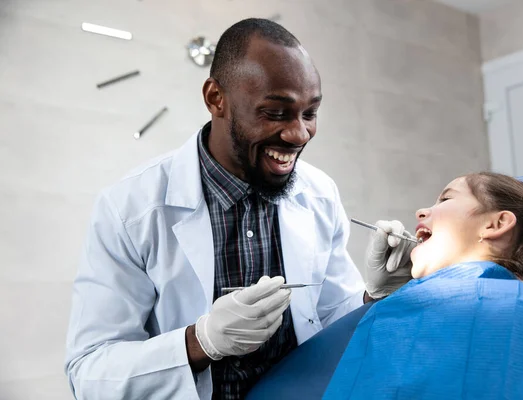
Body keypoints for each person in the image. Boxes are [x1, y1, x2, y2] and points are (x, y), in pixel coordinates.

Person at [64, 18, 415, 400]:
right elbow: (89, 372)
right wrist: (201, 343)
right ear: (216, 99)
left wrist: (373, 297)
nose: (299, 134)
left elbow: (327, 315)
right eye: (276, 113)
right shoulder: (129, 208)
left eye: (310, 113)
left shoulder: (319, 193)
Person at [248, 171, 523, 399]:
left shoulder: (449, 303)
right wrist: (376, 298)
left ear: (497, 224)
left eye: (445, 199)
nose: (421, 212)